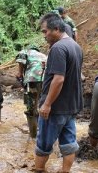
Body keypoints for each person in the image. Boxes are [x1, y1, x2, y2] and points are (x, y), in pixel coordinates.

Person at [35, 13, 83, 173]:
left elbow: (59, 80)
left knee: (43, 145)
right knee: (69, 144)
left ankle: (39, 169)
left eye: (45, 31)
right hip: (71, 106)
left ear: (56, 29)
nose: (44, 36)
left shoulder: (58, 48)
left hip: (55, 108)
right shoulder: (75, 46)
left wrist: (47, 104)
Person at [15, 45, 47, 138]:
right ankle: (44, 133)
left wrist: (20, 76)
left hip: (32, 80)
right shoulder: (43, 55)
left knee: (31, 107)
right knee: (43, 104)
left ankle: (33, 134)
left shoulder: (24, 52)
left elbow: (19, 74)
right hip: (47, 80)